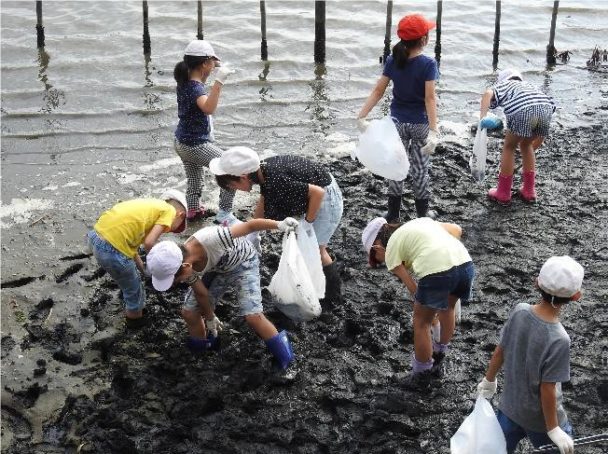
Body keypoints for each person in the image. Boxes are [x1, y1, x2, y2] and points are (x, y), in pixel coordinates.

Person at [146, 217, 300, 369]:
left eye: (175, 280)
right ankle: (201, 351)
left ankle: (287, 360)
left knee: (253, 317)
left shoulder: (213, 239)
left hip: (244, 263)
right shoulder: (181, 263)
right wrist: (210, 317)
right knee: (190, 312)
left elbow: (251, 226)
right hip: (218, 269)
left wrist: (279, 225)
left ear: (186, 266)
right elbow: (201, 293)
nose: (176, 283)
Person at [210, 146, 344, 304]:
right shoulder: (264, 170)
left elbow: (318, 193)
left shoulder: (276, 180)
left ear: (244, 176)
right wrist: (252, 232)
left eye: (233, 186)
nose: (235, 190)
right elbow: (264, 199)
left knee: (317, 250)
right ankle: (319, 287)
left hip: (326, 200)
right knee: (308, 247)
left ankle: (333, 298)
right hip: (321, 188)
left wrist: (308, 223)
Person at [477, 256, 583, 454]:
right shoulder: (560, 339)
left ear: (536, 283)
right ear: (576, 296)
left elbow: (501, 349)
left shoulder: (520, 311)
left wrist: (489, 380)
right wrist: (553, 428)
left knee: (498, 449)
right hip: (540, 421)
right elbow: (547, 388)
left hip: (510, 407)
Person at [361, 217, 474, 389]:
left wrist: (429, 315)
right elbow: (455, 229)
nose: (381, 262)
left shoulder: (390, 251)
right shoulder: (418, 223)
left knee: (421, 322)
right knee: (448, 308)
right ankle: (438, 356)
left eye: (377, 259)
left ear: (376, 248)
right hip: (465, 264)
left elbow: (414, 289)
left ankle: (421, 375)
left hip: (438, 271)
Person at [357, 13, 439, 221]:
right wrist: (434, 130)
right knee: (420, 169)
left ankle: (393, 213)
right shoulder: (428, 64)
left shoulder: (393, 60)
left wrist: (362, 115)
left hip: (396, 124)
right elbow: (429, 99)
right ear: (424, 40)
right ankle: (422, 214)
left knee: (395, 165)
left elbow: (378, 91)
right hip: (420, 124)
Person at [87, 189, 187, 328]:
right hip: (112, 251)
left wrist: (145, 270)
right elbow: (149, 243)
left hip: (95, 238)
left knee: (128, 279)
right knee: (135, 292)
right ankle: (135, 323)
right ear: (180, 215)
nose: (169, 230)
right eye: (174, 228)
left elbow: (132, 248)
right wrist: (155, 264)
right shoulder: (169, 211)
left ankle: (126, 296)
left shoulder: (150, 208)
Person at [173, 39, 237, 224]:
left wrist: (214, 66)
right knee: (229, 172)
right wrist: (219, 81)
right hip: (194, 145)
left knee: (194, 179)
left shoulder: (184, 82)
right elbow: (208, 108)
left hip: (181, 142)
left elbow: (202, 72)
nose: (213, 68)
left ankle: (193, 210)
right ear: (203, 64)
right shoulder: (195, 88)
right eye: (211, 64)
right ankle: (225, 214)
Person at [479, 68, 556, 204]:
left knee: (509, 147)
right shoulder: (530, 86)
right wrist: (533, 146)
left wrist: (482, 118)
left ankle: (503, 193)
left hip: (522, 110)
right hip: (546, 109)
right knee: (526, 146)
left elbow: (487, 93)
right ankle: (529, 191)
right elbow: (548, 105)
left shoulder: (504, 85)